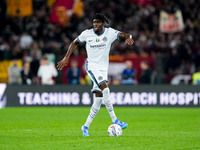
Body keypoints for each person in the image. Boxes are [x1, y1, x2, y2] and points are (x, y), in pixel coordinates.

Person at [57, 13, 134, 137]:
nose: (95, 24)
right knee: (106, 89)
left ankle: (85, 127)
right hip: (92, 66)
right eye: (94, 22)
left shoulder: (109, 33)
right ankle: (115, 120)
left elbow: (124, 34)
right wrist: (66, 57)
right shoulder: (87, 34)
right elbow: (74, 42)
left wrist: (129, 37)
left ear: (103, 23)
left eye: (98, 22)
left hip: (103, 69)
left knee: (98, 100)